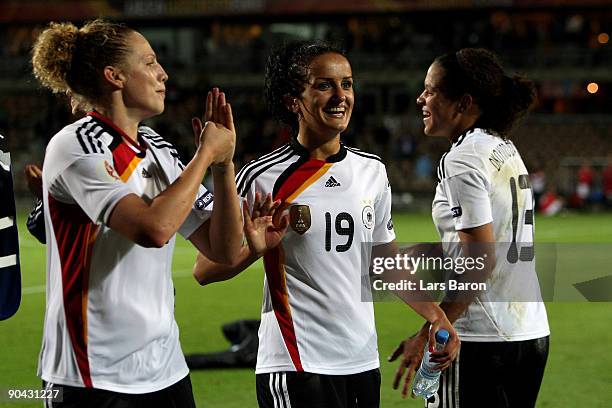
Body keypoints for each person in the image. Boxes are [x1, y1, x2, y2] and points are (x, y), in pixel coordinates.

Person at [192, 40, 459, 408]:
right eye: (324, 85)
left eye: (347, 84)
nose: (340, 96)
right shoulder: (262, 177)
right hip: (295, 363)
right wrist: (256, 250)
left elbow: (384, 262)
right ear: (293, 101)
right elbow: (205, 269)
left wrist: (436, 316)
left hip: (361, 361)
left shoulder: (372, 172)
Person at [31, 19, 243, 407]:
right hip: (91, 376)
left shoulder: (160, 149)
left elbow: (224, 249)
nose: (163, 73)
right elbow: (154, 229)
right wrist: (205, 154)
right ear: (114, 76)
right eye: (149, 63)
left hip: (166, 370)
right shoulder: (76, 145)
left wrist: (223, 165)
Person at [389, 48, 550, 408]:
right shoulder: (502, 147)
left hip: (480, 340)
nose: (421, 98)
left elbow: (481, 261)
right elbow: (496, 239)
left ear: (462, 103)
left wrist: (435, 327)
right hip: (529, 333)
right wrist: (430, 251)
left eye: (431, 90)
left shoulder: (461, 159)